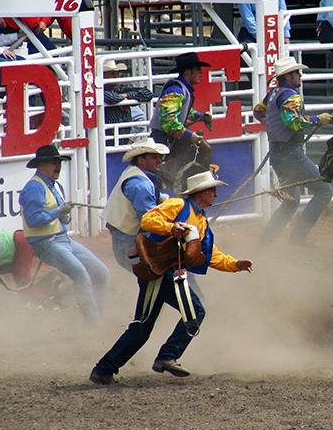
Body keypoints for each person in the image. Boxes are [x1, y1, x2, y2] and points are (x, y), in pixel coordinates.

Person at [90, 171, 253, 385]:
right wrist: (170, 227)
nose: (215, 193)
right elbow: (149, 220)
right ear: (200, 193)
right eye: (212, 189)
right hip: (157, 270)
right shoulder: (178, 205)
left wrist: (234, 265)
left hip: (162, 271)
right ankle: (166, 356)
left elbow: (209, 253)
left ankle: (105, 369)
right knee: (192, 312)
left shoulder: (200, 220)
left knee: (144, 327)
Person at [20, 144, 109, 320]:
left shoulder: (53, 185)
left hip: (61, 240)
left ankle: (96, 312)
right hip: (46, 243)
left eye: (59, 161)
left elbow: (53, 216)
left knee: (101, 272)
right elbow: (33, 220)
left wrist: (64, 217)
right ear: (42, 164)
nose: (58, 166)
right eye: (54, 162)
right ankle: (94, 321)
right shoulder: (34, 187)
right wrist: (60, 212)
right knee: (80, 274)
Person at [253, 57, 333, 242]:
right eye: (297, 73)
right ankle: (298, 237)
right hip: (291, 155)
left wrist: (271, 127)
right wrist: (317, 120)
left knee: (291, 202)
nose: (300, 75)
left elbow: (258, 112)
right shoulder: (291, 96)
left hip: (278, 154)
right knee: (324, 191)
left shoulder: (273, 93)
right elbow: (293, 123)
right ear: (288, 76)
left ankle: (265, 242)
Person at [148, 52, 214, 185]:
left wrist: (201, 116)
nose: (201, 73)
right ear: (188, 72)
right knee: (157, 177)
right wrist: (190, 136)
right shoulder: (176, 90)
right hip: (162, 141)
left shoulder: (181, 90)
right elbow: (169, 121)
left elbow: (182, 112)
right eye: (198, 70)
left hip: (168, 141)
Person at [104, 139, 169, 271]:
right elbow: (150, 219)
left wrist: (162, 199)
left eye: (159, 157)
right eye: (154, 157)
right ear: (141, 160)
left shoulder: (133, 173)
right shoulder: (140, 185)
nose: (159, 161)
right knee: (154, 272)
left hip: (124, 234)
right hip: (128, 239)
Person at [103, 59, 151, 138]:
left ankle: (130, 138)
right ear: (102, 75)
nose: (116, 76)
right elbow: (111, 97)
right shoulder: (100, 92)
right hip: (108, 138)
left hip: (119, 137)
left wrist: (125, 96)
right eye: (112, 73)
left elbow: (147, 94)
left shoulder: (119, 90)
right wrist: (125, 98)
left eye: (116, 73)